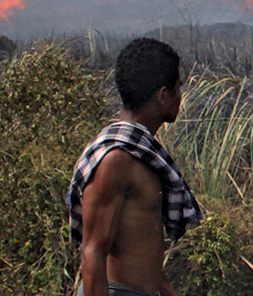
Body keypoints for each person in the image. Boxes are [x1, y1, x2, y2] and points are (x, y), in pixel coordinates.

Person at [66, 38, 202, 296]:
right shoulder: (117, 159)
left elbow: (142, 250)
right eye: (178, 88)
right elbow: (93, 251)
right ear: (163, 96)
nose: (181, 97)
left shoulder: (143, 153)